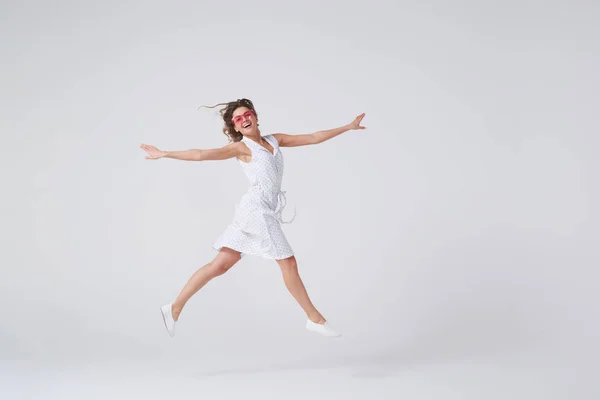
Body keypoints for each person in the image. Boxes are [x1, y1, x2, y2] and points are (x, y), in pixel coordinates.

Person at [140, 98, 366, 338]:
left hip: (261, 210)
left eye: (247, 114)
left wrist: (347, 127)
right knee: (287, 262)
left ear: (255, 117)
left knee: (221, 265)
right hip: (256, 211)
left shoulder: (274, 140)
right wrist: (165, 154)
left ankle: (173, 308)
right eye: (238, 119)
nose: (244, 119)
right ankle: (314, 318)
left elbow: (313, 137)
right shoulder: (242, 147)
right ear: (235, 128)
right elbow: (201, 154)